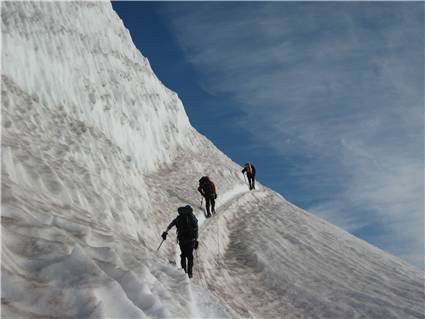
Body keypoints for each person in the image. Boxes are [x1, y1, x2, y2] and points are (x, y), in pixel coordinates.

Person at [162, 205, 198, 278]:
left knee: (183, 255)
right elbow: (196, 229)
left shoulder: (179, 217)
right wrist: (196, 240)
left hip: (181, 240)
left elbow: (171, 224)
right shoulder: (192, 218)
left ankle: (184, 272)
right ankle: (190, 273)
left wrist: (165, 232)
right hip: (190, 240)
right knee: (190, 257)